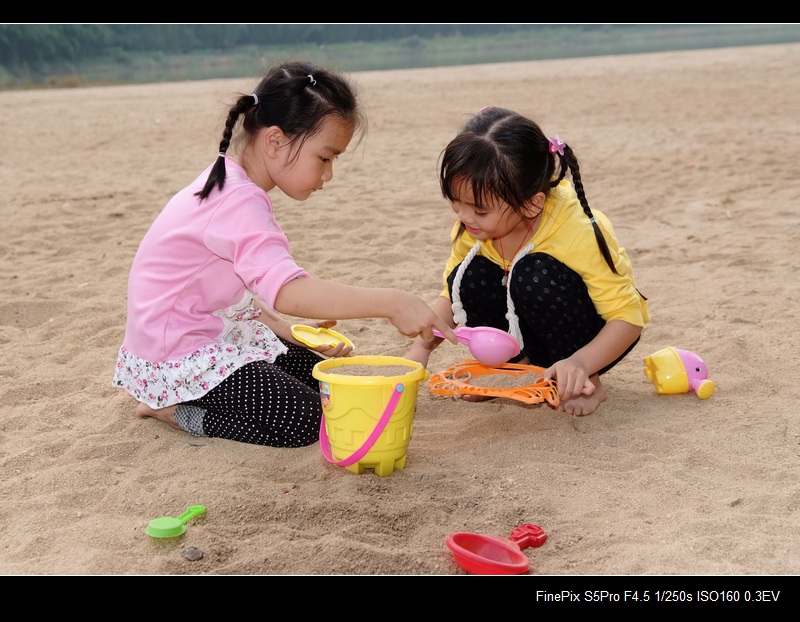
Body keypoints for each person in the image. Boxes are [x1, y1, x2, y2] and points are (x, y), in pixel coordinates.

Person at [113, 61, 456, 447]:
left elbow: (238, 289)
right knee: (310, 421)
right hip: (179, 357)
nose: (328, 175)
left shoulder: (230, 179)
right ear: (275, 141)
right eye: (325, 158)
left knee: (333, 387)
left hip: (216, 333)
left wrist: (286, 330)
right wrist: (392, 302)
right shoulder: (237, 201)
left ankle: (184, 398)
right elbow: (287, 290)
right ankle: (173, 410)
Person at [405, 106, 649, 416]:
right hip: (528, 329)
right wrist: (420, 349)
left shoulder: (577, 230)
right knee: (470, 275)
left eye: (479, 210)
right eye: (456, 202)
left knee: (534, 273)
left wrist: (581, 363)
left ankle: (587, 382)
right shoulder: (474, 227)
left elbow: (627, 319)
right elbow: (452, 298)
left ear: (532, 204)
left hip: (594, 338)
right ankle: (514, 371)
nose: (464, 217)